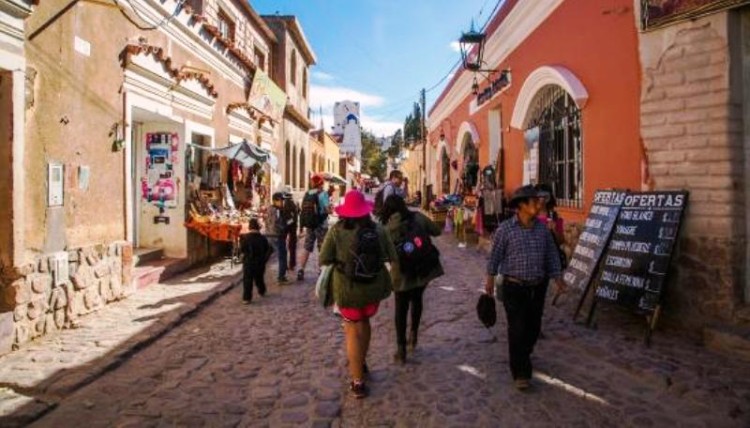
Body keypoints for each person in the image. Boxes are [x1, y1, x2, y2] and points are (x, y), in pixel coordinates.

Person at [485, 185, 566, 391]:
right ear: (521, 205)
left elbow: (551, 256)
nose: (539, 204)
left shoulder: (542, 229)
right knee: (517, 328)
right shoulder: (505, 230)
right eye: (533, 201)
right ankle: (521, 372)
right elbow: (494, 257)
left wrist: (558, 278)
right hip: (514, 288)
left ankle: (523, 353)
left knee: (533, 328)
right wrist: (490, 279)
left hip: (537, 287)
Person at [319, 190, 397, 399]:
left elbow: (324, 258)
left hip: (347, 290)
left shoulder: (336, 231)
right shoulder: (379, 230)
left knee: (351, 330)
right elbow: (391, 256)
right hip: (373, 289)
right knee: (365, 322)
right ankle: (360, 362)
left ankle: (357, 382)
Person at [380, 195, 443, 364]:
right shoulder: (417, 217)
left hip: (401, 274)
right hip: (422, 270)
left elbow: (383, 255)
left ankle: (401, 349)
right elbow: (437, 231)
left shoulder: (385, 228)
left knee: (400, 309)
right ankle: (413, 334)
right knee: (417, 300)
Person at [297, 174, 331, 281]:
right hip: (321, 224)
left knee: (307, 247)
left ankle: (301, 270)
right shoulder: (323, 194)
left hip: (310, 224)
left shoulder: (308, 193)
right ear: (321, 183)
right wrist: (331, 209)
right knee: (322, 248)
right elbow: (327, 210)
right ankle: (321, 271)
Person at [239, 218, 272, 304]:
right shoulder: (262, 238)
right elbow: (269, 249)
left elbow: (242, 250)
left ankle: (246, 298)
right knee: (259, 278)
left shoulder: (245, 238)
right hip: (260, 262)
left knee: (247, 280)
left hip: (248, 262)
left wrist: (242, 257)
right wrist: (265, 259)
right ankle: (262, 290)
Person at [269, 192, 289, 283]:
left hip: (271, 235)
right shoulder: (276, 210)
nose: (282, 203)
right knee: (282, 256)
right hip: (276, 235)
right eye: (281, 200)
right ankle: (281, 277)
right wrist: (284, 227)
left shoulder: (271, 209)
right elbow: (275, 223)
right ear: (275, 201)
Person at [280, 186, 300, 272]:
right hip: (293, 225)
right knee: (292, 246)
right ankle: (292, 263)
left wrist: (285, 223)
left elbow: (282, 214)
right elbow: (298, 212)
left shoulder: (284, 202)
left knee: (283, 245)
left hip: (286, 225)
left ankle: (285, 265)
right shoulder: (295, 202)